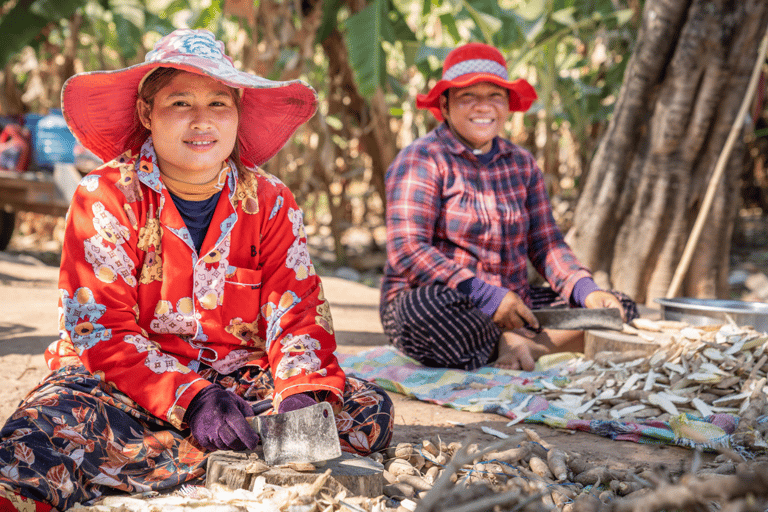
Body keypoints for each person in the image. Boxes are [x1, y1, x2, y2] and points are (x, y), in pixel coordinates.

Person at [0, 29, 393, 512]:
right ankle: (226, 452)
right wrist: (194, 399)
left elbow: (296, 310)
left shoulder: (271, 201)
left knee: (365, 409)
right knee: (39, 433)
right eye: (181, 103)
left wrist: (299, 395)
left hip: (240, 383)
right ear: (148, 113)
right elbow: (99, 330)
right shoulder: (102, 197)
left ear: (238, 113)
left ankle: (186, 456)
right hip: (126, 386)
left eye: (219, 104)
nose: (202, 122)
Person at [380, 42, 638, 373]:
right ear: (444, 105)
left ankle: (520, 344)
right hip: (445, 303)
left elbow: (546, 245)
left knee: (618, 308)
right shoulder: (422, 159)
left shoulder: (522, 163)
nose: (483, 107)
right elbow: (407, 249)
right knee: (422, 314)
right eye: (467, 97)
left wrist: (585, 290)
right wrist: (486, 296)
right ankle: (526, 340)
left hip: (514, 302)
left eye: (494, 96)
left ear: (507, 105)